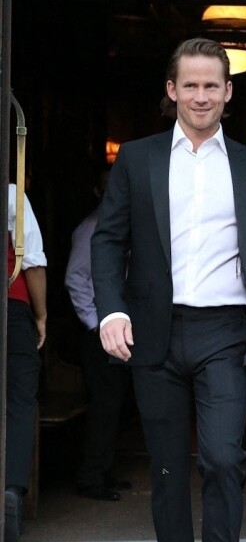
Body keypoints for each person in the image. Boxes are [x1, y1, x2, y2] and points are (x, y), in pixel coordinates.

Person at [91, 37, 246, 542]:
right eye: (191, 85)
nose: (201, 96)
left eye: (212, 86)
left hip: (224, 334)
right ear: (172, 89)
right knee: (168, 469)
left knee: (223, 459)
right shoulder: (137, 158)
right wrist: (111, 310)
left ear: (228, 91)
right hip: (153, 331)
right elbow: (108, 240)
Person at [64, 169, 132, 501]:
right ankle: (91, 478)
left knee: (116, 403)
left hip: (120, 333)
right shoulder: (90, 229)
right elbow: (76, 280)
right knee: (105, 404)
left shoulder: (120, 230)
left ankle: (103, 472)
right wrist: (95, 324)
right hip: (98, 333)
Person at [5, 182, 47, 542]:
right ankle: (10, 489)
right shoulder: (11, 193)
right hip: (12, 306)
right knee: (19, 403)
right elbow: (31, 259)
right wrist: (41, 314)